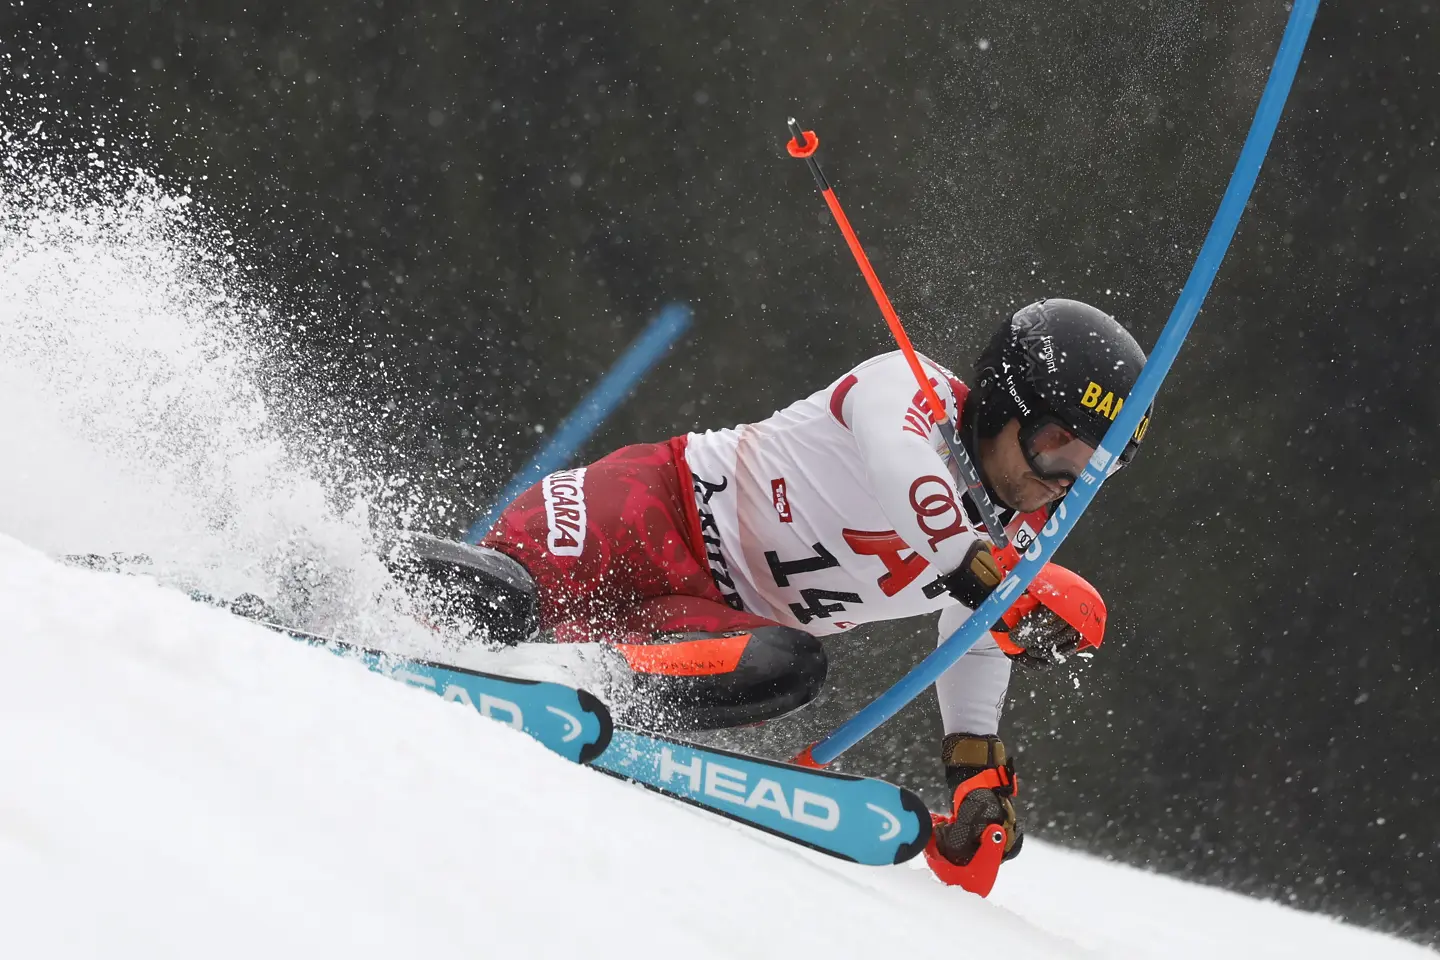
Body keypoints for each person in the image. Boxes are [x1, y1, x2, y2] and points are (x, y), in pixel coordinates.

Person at [388, 298, 1151, 879]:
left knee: (793, 665)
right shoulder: (910, 389)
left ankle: (574, 678)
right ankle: (332, 561)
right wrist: (977, 565)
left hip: (704, 616)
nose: (1064, 483)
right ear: (1004, 402)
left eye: (1096, 469)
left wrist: (974, 765)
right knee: (503, 602)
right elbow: (898, 462)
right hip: (649, 512)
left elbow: (972, 624)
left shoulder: (1013, 538)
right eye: (1059, 448)